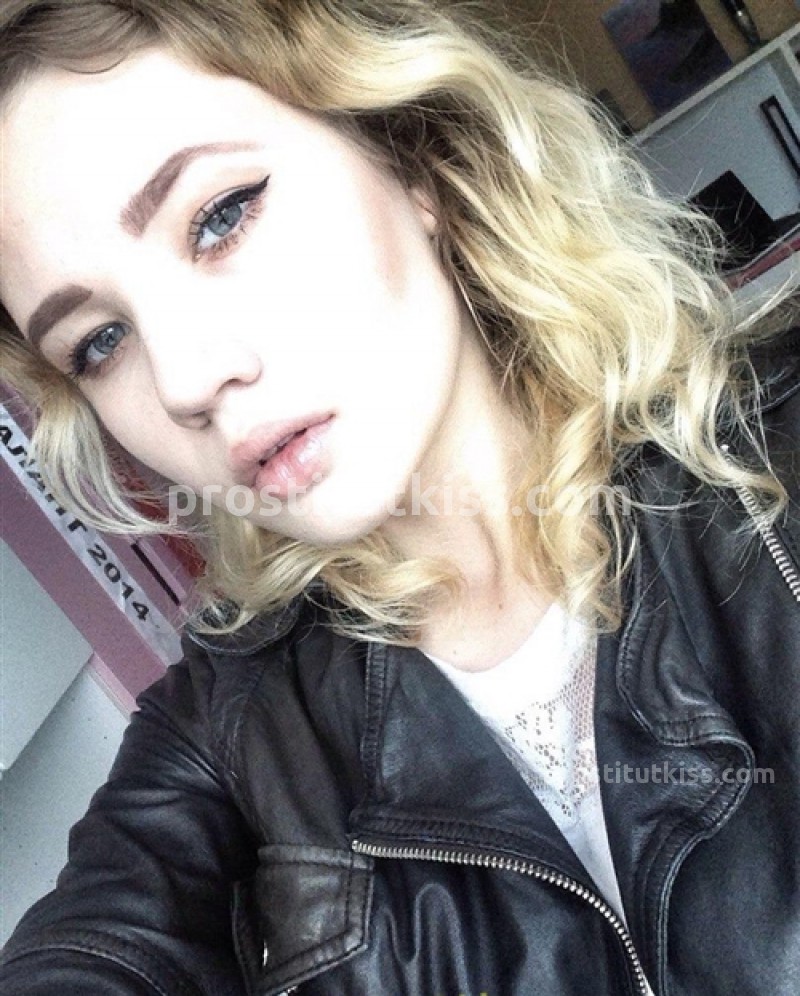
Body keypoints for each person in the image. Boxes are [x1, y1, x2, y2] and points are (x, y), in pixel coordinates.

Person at [0, 1, 798, 993]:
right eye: (99, 343)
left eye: (221, 215)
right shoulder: (225, 733)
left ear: (406, 156)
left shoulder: (774, 460)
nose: (183, 380)